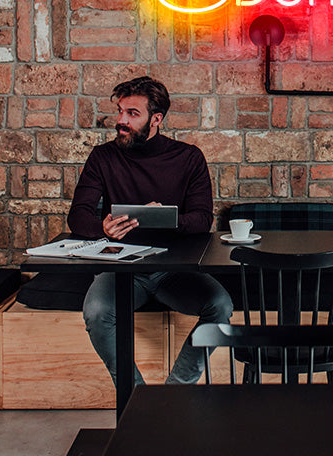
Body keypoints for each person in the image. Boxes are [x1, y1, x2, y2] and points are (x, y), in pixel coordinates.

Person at [67, 75, 233, 386]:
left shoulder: (188, 158)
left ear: (156, 119)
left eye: (132, 113)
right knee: (97, 312)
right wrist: (101, 228)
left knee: (221, 306)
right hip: (120, 268)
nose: (121, 121)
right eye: (120, 111)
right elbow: (77, 217)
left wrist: (168, 218)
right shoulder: (103, 157)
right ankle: (137, 398)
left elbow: (202, 220)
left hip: (175, 269)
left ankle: (175, 393)